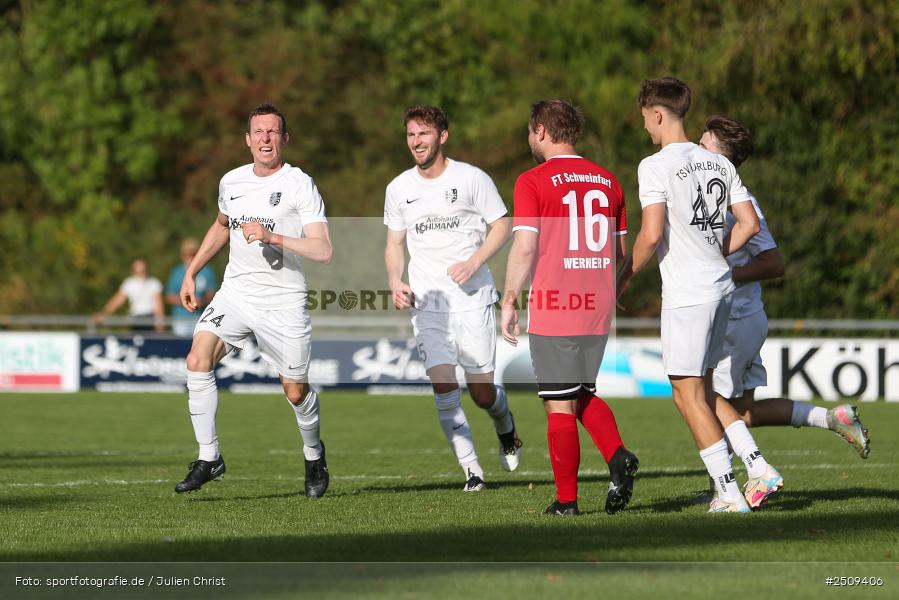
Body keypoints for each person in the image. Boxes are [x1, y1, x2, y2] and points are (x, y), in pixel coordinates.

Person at [698, 116, 869, 493]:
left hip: (734, 319)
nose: (695, 150)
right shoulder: (713, 194)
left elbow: (774, 263)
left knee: (704, 397)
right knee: (741, 412)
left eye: (703, 145)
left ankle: (755, 472)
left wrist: (720, 273)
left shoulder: (736, 200)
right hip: (742, 317)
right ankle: (832, 418)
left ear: (720, 158)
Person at [173, 103, 333, 497]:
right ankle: (209, 457)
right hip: (237, 293)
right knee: (197, 360)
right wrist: (192, 271)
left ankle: (314, 454)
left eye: (272, 132)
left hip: (283, 301)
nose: (265, 138)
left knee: (295, 391)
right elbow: (221, 225)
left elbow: (323, 249)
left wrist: (273, 236)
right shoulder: (232, 182)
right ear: (247, 140)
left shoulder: (300, 184)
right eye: (258, 132)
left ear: (284, 139)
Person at [617, 77, 761, 513]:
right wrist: (714, 249)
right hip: (721, 289)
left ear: (658, 114)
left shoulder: (654, 165)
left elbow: (652, 232)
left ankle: (729, 492)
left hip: (688, 294)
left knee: (686, 394)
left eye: (645, 119)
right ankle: (741, 479)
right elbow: (750, 224)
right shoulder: (719, 163)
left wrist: (623, 277)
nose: (645, 128)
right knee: (700, 389)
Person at [501, 99, 639, 516]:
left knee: (559, 404)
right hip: (596, 307)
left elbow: (524, 248)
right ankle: (617, 458)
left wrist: (509, 300)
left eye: (529, 131)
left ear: (540, 131)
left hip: (556, 306)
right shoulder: (609, 181)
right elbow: (620, 252)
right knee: (579, 394)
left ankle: (567, 501)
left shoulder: (533, 180)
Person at [384, 105, 520, 492]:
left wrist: (474, 260)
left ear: (442, 136)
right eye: (411, 135)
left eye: (423, 134)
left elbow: (503, 224)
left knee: (480, 393)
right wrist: (396, 279)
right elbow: (394, 242)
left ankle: (506, 426)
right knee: (443, 386)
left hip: (473, 298)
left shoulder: (472, 179)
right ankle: (472, 470)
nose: (416, 142)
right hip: (428, 305)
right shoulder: (398, 189)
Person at [91, 258, 165, 333]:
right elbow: (117, 301)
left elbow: (158, 305)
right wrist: (104, 314)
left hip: (149, 318)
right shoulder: (129, 283)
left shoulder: (153, 283)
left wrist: (159, 324)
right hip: (135, 318)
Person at [166, 238, 217, 337]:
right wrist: (186, 301)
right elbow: (169, 296)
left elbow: (212, 294)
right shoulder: (177, 272)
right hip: (181, 318)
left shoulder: (207, 271)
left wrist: (202, 301)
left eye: (193, 254)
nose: (189, 257)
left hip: (202, 317)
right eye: (186, 254)